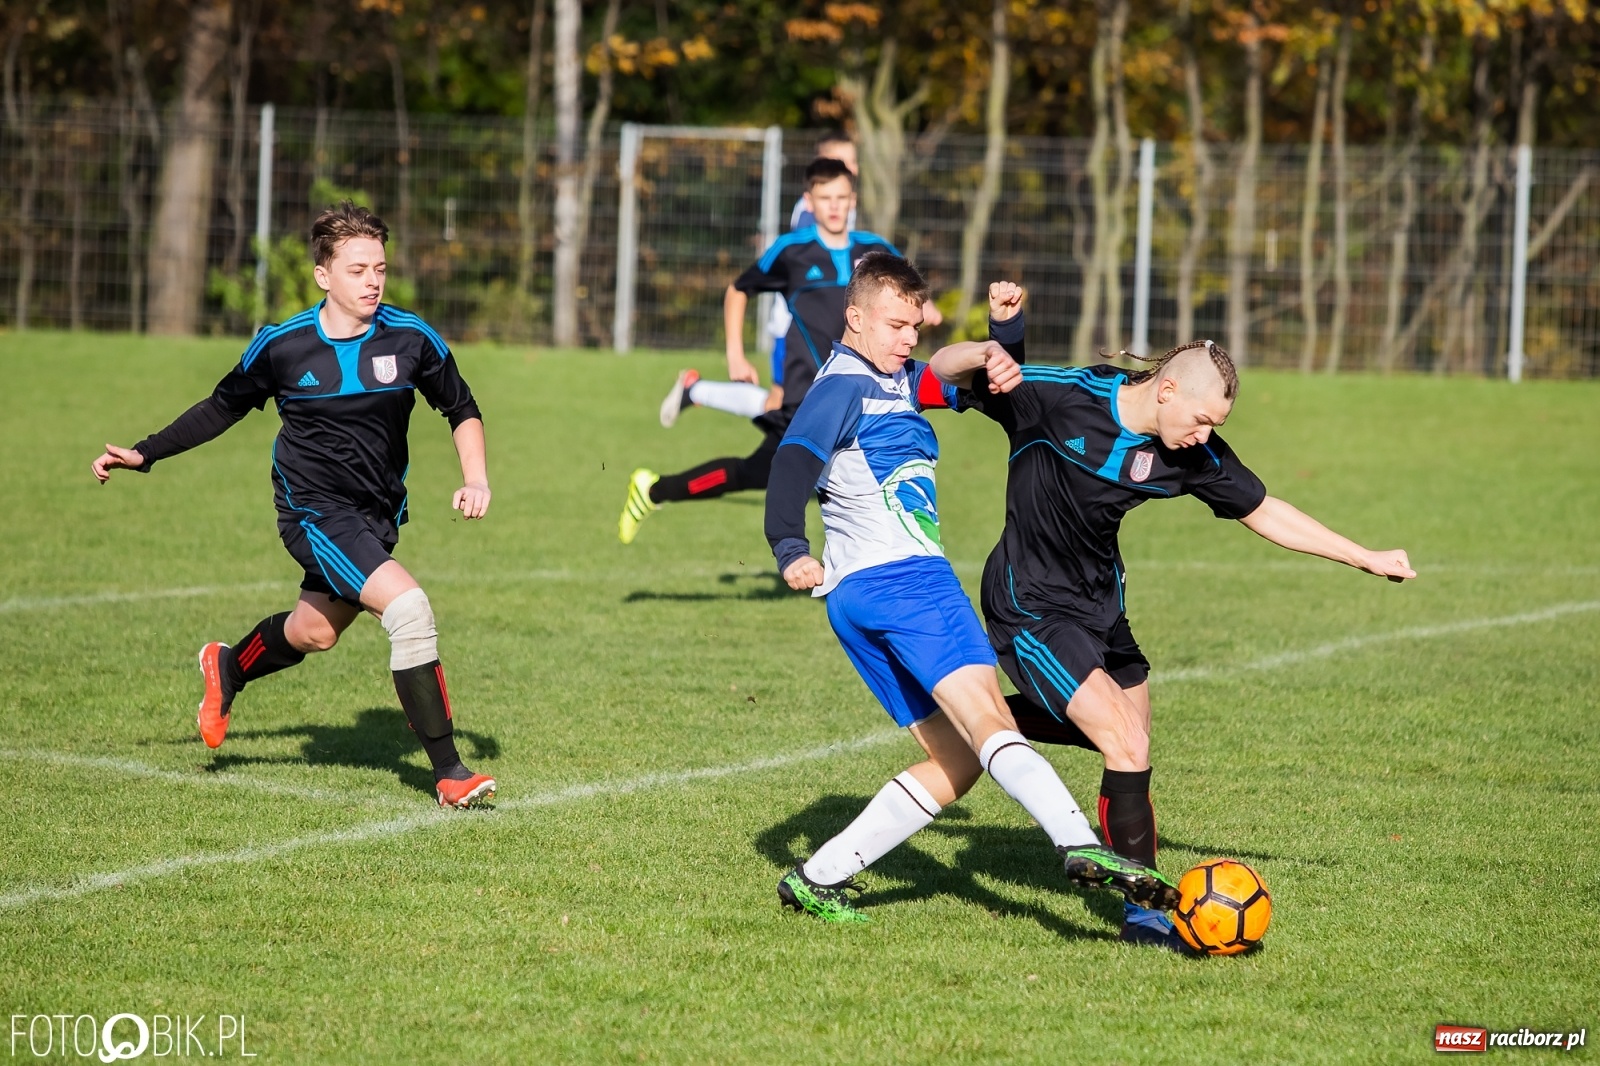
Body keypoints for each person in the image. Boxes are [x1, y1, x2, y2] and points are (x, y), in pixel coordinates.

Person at [929, 281, 1417, 947]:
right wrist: (990, 343)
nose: (1206, 434)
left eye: (1217, 425)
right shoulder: (1062, 397)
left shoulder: (1193, 454)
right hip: (1031, 603)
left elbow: (1264, 509)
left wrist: (1363, 556)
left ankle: (985, 719)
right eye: (1203, 418)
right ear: (1167, 391)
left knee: (1133, 744)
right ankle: (1144, 912)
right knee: (1124, 742)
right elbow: (941, 371)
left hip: (1103, 607)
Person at [762, 253, 1179, 924]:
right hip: (908, 583)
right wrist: (788, 546)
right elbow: (791, 464)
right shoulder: (843, 387)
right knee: (992, 721)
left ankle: (818, 876)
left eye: (914, 326)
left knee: (957, 763)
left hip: (855, 598)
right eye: (895, 325)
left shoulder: (892, 379)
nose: (907, 339)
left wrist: (999, 340)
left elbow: (964, 374)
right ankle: (1079, 844)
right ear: (855, 317)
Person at [91, 201, 498, 809]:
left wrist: (477, 477)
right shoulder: (284, 346)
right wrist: (146, 454)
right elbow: (220, 407)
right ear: (323, 275)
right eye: (358, 269)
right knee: (409, 610)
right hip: (312, 512)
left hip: (377, 515)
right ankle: (450, 773)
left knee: (313, 632)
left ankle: (228, 667)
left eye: (380, 268)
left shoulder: (412, 338)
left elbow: (461, 407)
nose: (373, 281)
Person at [619, 157, 939, 544]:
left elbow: (907, 299)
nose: (835, 206)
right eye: (825, 198)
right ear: (809, 202)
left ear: (853, 199)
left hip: (867, 394)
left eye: (841, 197)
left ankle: (876, 567)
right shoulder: (793, 251)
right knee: (762, 474)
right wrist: (735, 354)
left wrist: (925, 310)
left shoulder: (876, 249)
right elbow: (739, 290)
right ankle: (654, 490)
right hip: (809, 397)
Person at [658, 132, 860, 428]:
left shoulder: (842, 209)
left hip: (820, 328)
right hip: (793, 327)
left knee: (790, 409)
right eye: (843, 161)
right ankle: (698, 391)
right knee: (781, 406)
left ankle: (696, 391)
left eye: (854, 161)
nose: (852, 168)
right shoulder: (812, 216)